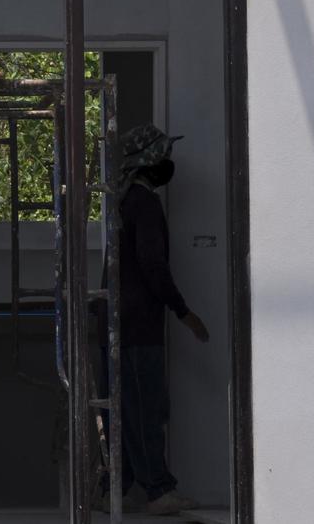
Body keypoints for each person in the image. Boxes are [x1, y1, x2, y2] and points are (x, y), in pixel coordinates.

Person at [111, 123, 208, 516]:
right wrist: (183, 311)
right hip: (137, 325)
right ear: (150, 161)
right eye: (164, 155)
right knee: (144, 409)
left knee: (127, 409)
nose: (169, 163)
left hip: (123, 323)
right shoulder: (144, 203)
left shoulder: (124, 201)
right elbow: (153, 264)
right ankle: (157, 491)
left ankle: (115, 488)